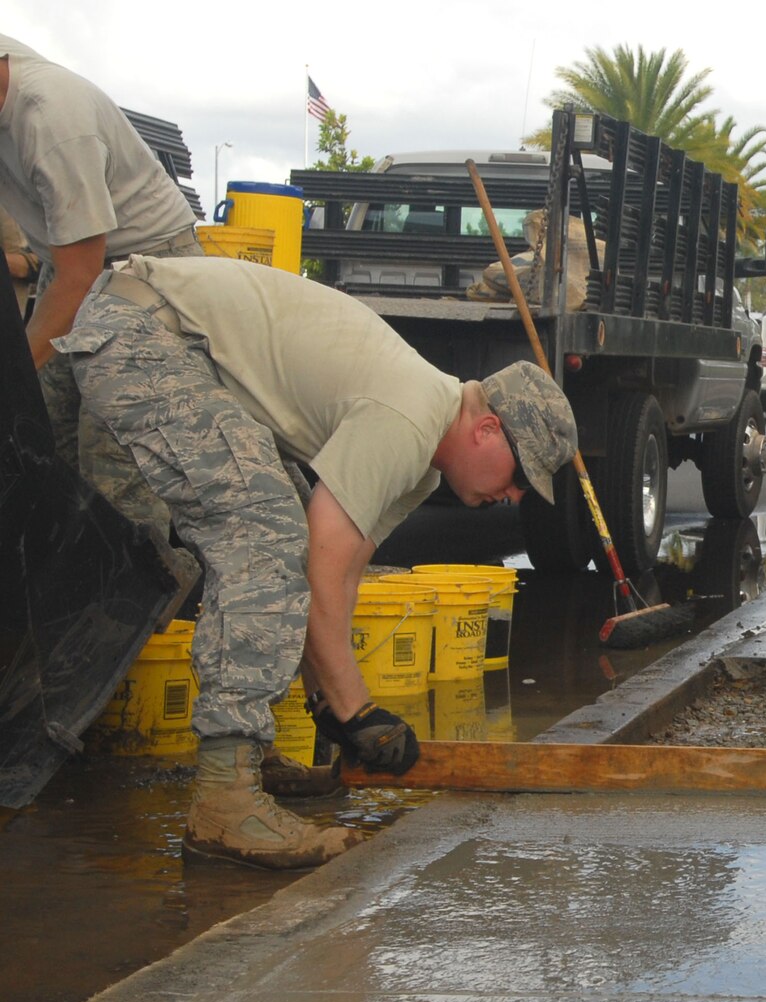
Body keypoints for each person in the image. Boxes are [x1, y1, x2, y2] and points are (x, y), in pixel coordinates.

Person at [55, 256, 577, 867]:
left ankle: (247, 762)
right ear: (487, 429)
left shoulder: (421, 457)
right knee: (264, 533)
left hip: (166, 342)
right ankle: (225, 797)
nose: (512, 500)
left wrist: (328, 702)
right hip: (143, 332)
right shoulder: (410, 416)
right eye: (520, 479)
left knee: (284, 531)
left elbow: (343, 573)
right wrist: (358, 711)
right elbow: (318, 573)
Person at [0, 32, 205, 538]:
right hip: (70, 257)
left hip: (147, 267)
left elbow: (81, 276)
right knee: (39, 429)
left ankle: (150, 601)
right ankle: (78, 590)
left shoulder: (50, 119)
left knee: (112, 449)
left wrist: (12, 378)